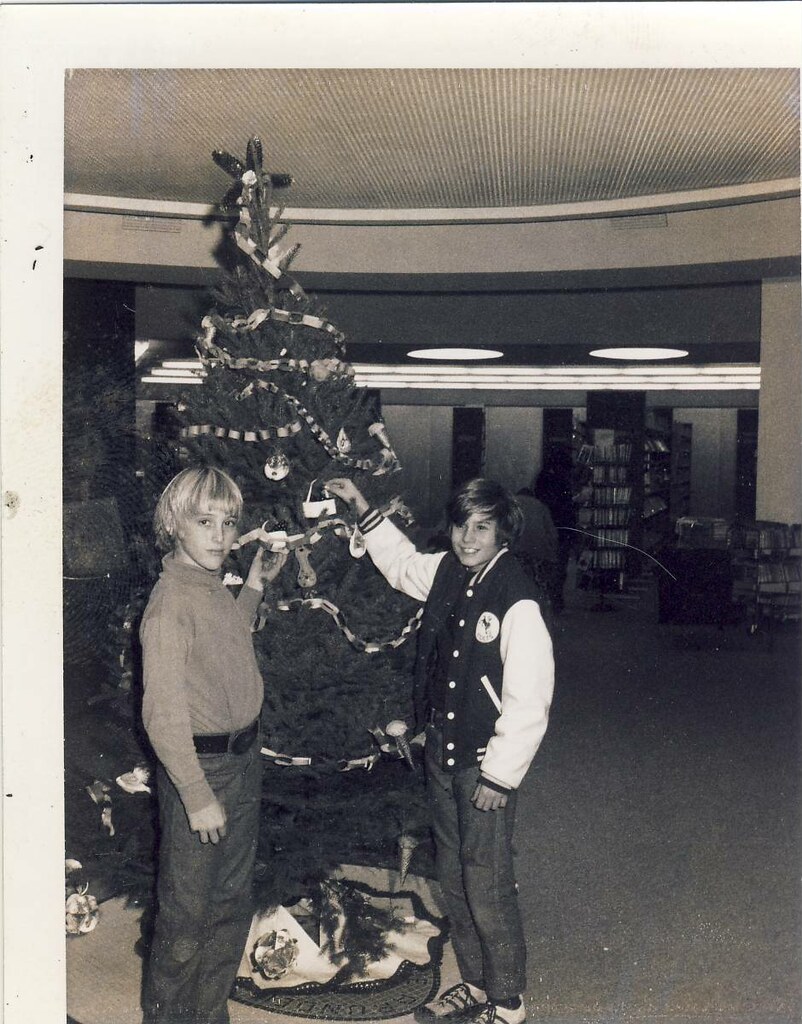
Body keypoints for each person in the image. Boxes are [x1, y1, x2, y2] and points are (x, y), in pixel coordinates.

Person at [326, 476, 554, 1024]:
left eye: (481, 527)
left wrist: (501, 775)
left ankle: (507, 1001)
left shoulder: (516, 596)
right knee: (453, 876)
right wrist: (362, 507)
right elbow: (402, 563)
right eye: (460, 525)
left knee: (488, 883)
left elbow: (531, 698)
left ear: (503, 531)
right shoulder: (449, 571)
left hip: (484, 767)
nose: (467, 537)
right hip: (442, 754)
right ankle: (476, 985)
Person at [140, 466, 286, 1024]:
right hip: (199, 771)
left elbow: (226, 636)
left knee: (228, 902)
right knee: (185, 914)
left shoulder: (207, 584)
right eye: (205, 522)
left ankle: (207, 1012)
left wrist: (253, 586)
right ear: (175, 524)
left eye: (228, 523)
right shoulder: (170, 604)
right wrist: (197, 795)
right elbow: (163, 716)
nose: (221, 536)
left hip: (242, 762)